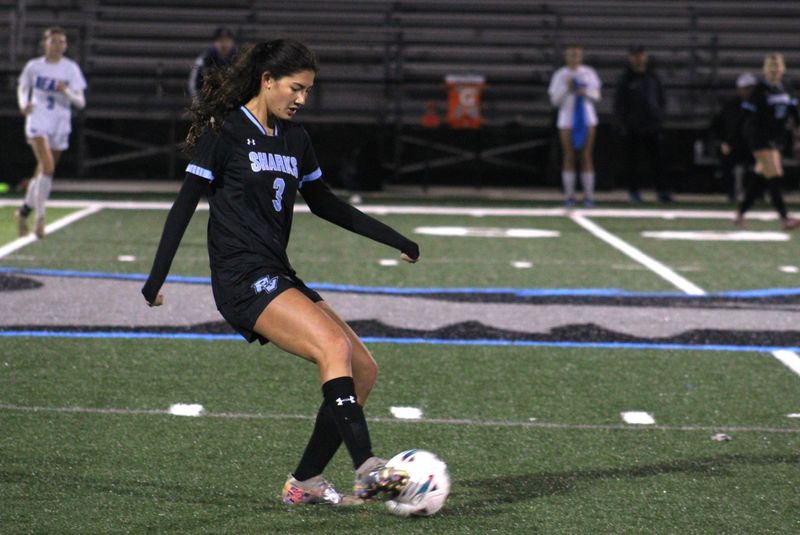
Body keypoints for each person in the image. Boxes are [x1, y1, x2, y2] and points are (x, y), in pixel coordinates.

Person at [142, 39, 420, 505]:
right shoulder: (225, 131)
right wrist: (156, 279)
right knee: (332, 346)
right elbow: (184, 206)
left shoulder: (296, 139)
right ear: (266, 81)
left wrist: (396, 238)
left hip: (276, 272)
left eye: (308, 91)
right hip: (240, 278)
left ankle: (306, 481)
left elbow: (326, 204)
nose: (301, 99)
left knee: (363, 369)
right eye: (296, 88)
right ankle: (368, 467)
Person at [15, 26, 87, 238]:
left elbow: (80, 102)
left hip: (60, 123)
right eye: (54, 41)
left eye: (62, 42)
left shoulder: (71, 69)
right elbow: (22, 86)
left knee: (41, 173)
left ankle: (22, 212)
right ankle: (40, 217)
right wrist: (23, 103)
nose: (58, 45)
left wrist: (66, 91)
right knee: (47, 167)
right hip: (38, 119)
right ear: (44, 43)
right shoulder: (34, 66)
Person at [735, 53, 800, 230]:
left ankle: (740, 213)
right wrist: (731, 139)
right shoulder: (759, 90)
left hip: (776, 139)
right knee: (775, 175)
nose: (774, 69)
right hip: (759, 138)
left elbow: (794, 112)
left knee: (760, 178)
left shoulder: (786, 87)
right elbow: (744, 116)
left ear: (783, 68)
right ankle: (785, 218)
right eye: (771, 66)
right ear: (765, 69)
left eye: (777, 66)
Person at [613, 45, 670, 203]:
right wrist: (622, 123)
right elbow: (619, 103)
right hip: (633, 127)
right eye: (634, 55)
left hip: (652, 126)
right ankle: (634, 192)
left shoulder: (653, 77)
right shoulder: (625, 79)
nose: (638, 59)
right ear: (630, 58)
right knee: (632, 163)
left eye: (640, 55)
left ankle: (662, 191)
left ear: (645, 57)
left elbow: (662, 99)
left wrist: (659, 118)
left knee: (658, 161)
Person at [548, 44, 601, 207]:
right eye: (571, 55)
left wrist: (585, 92)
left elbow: (597, 96)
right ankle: (569, 196)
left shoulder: (589, 73)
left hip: (587, 119)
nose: (574, 58)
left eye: (577, 55)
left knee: (586, 156)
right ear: (566, 57)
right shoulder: (560, 75)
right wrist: (567, 88)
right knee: (569, 156)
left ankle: (588, 196)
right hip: (567, 119)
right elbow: (555, 100)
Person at [710, 72, 757, 202]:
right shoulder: (730, 105)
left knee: (761, 164)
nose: (748, 91)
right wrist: (723, 142)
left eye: (751, 88)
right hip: (734, 144)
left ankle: (755, 194)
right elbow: (717, 125)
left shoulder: (760, 105)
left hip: (754, 145)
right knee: (726, 162)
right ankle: (731, 193)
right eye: (746, 88)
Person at [188, 27, 238, 100]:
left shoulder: (239, 60)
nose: (224, 45)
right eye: (221, 41)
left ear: (232, 42)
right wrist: (199, 102)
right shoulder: (204, 60)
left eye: (227, 41)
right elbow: (194, 83)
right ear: (215, 43)